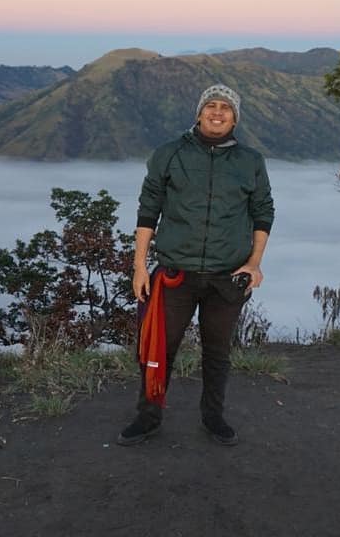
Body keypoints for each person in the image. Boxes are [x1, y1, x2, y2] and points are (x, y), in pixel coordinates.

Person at [117, 83, 274, 447]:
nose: (217, 113)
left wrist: (254, 263)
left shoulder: (251, 161)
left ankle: (213, 417)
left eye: (226, 108)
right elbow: (148, 210)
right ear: (199, 112)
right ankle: (148, 416)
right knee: (160, 350)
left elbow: (263, 212)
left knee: (218, 351)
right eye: (211, 106)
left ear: (236, 117)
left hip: (228, 277)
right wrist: (139, 266)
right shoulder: (169, 154)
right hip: (176, 274)